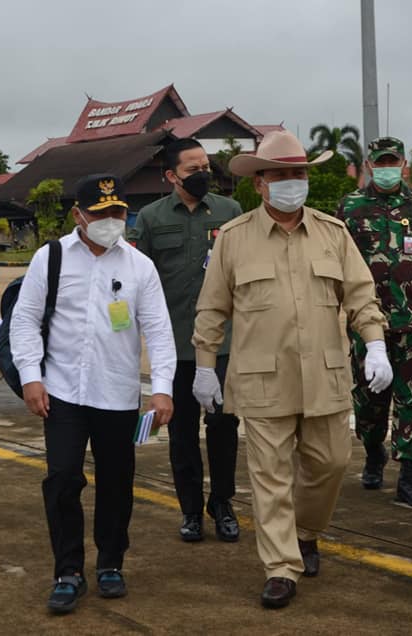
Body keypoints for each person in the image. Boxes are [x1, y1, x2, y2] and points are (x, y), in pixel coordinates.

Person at [192, 130, 392, 609]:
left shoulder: (333, 232)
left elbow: (361, 296)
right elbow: (212, 309)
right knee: (270, 476)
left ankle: (306, 532)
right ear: (260, 184)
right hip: (262, 378)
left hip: (325, 374)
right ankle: (281, 567)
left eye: (298, 173)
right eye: (281, 174)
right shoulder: (234, 240)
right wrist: (204, 366)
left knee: (332, 463)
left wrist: (376, 344)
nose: (292, 182)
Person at [11, 174, 176, 614]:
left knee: (117, 484)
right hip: (62, 391)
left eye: (117, 212)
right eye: (101, 213)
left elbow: (159, 330)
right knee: (62, 480)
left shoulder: (139, 266)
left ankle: (110, 564)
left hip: (118, 394)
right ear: (78, 215)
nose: (111, 221)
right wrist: (31, 376)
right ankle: (67, 571)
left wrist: (162, 389)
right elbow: (25, 320)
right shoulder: (51, 259)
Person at [130, 138, 242, 543]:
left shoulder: (230, 213)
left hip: (224, 345)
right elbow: (136, 276)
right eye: (192, 169)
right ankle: (191, 510)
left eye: (206, 166)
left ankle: (223, 504)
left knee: (224, 427)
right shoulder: (151, 217)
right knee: (181, 435)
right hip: (174, 346)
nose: (202, 175)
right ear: (171, 176)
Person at [336, 136, 412, 507]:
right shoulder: (349, 208)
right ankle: (373, 450)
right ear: (368, 166)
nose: (385, 169)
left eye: (392, 162)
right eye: (379, 163)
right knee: (368, 402)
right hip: (366, 323)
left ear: (404, 165)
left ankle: (410, 475)